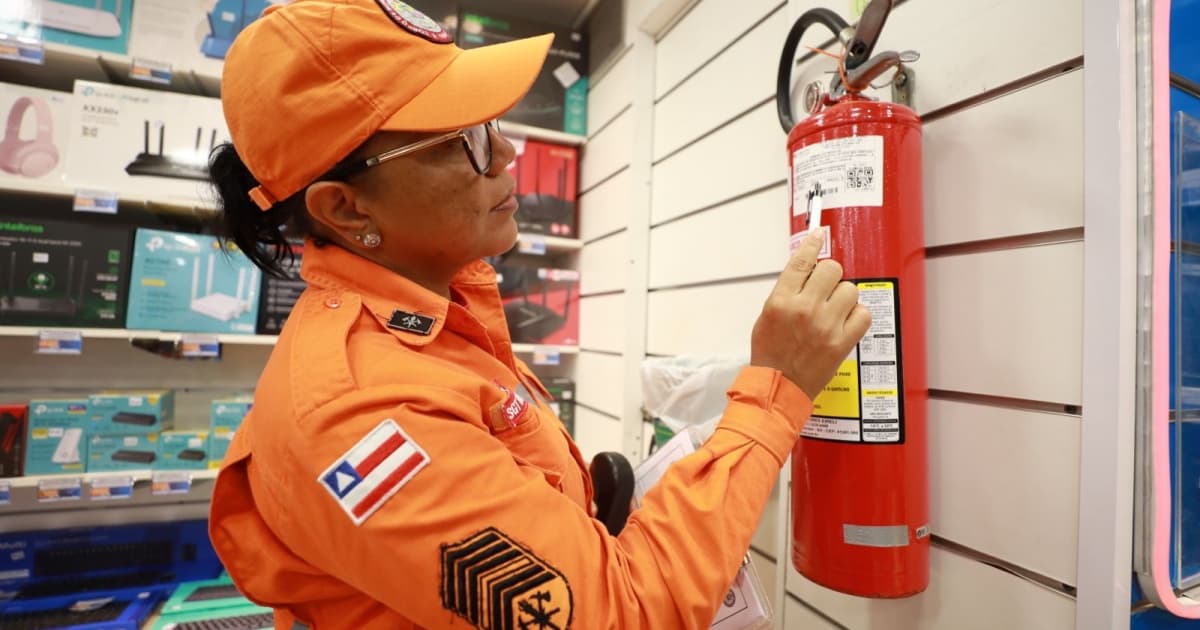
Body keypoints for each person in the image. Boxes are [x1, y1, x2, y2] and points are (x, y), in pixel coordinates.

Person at [206, 0, 872, 628]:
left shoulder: (438, 317)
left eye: (489, 123)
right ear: (346, 209)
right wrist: (775, 390)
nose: (506, 154)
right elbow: (625, 615)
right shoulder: (361, 414)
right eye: (461, 140)